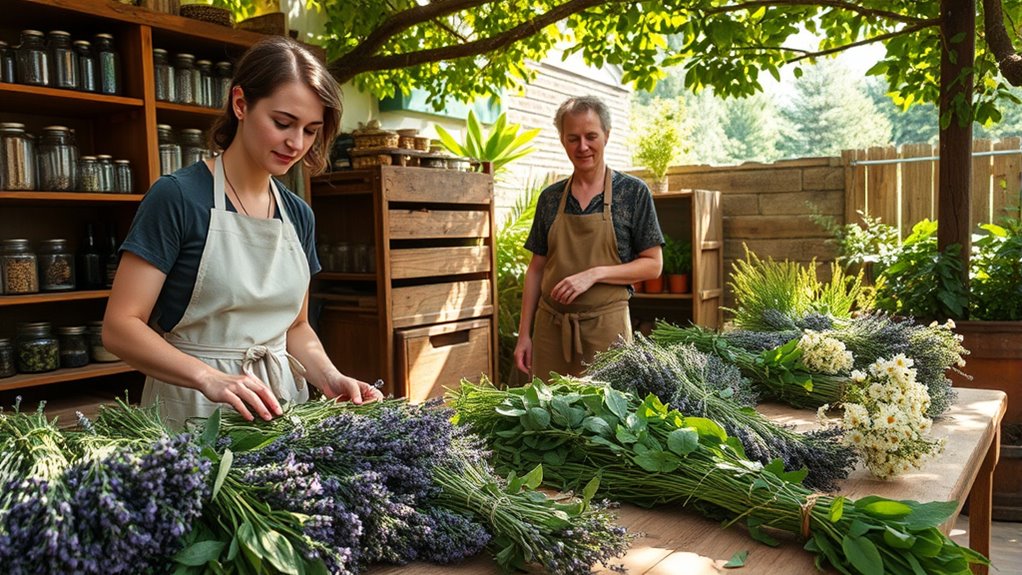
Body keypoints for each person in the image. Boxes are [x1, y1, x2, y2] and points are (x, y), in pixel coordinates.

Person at [103, 36, 382, 429]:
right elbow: (120, 327)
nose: (296, 143)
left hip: (282, 410)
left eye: (310, 130)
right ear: (240, 104)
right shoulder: (178, 198)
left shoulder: (298, 215)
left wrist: (330, 376)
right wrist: (209, 378)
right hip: (191, 410)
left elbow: (296, 327)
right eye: (283, 123)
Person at [515, 95, 664, 379]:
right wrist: (524, 335)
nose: (582, 146)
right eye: (573, 138)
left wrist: (593, 274)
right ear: (562, 141)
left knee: (608, 418)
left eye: (591, 136)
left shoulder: (632, 192)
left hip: (607, 332)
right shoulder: (550, 198)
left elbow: (653, 265)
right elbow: (536, 269)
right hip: (551, 332)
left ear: (606, 136)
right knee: (547, 416)